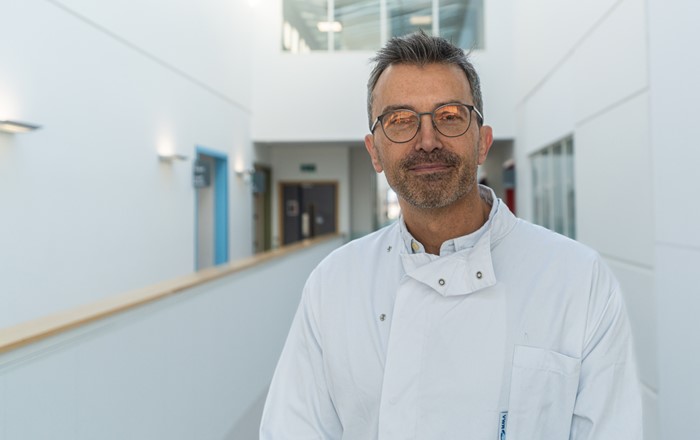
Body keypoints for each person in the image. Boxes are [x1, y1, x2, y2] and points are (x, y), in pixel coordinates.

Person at [260, 31, 642, 439]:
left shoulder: (578, 280)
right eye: (401, 120)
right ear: (374, 152)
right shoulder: (334, 284)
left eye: (450, 116)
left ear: (482, 142)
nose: (428, 141)